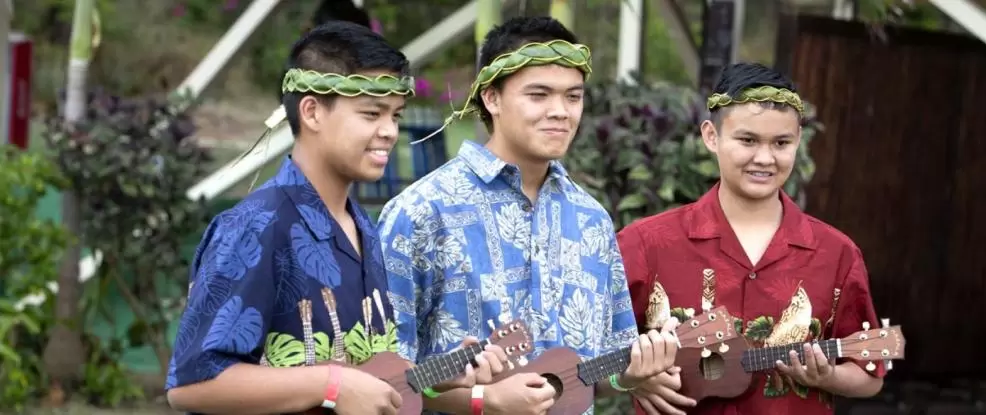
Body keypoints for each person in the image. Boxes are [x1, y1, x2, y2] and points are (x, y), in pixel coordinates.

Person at [164, 21, 505, 415]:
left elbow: (361, 375)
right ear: (311, 111)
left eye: (395, 115)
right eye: (372, 113)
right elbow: (192, 384)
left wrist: (435, 375)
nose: (390, 131)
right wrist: (332, 383)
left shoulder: (364, 228)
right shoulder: (255, 226)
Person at [378, 16, 681, 415]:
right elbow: (383, 381)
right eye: (539, 95)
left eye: (573, 97)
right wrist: (482, 401)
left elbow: (595, 372)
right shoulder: (421, 212)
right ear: (492, 98)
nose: (560, 111)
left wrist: (629, 375)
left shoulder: (592, 220)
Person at [617, 63, 887, 415]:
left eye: (781, 143)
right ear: (711, 136)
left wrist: (827, 377)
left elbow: (871, 373)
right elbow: (591, 355)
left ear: (798, 141)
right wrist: (632, 377)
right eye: (747, 140)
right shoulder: (645, 243)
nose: (764, 158)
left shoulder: (837, 254)